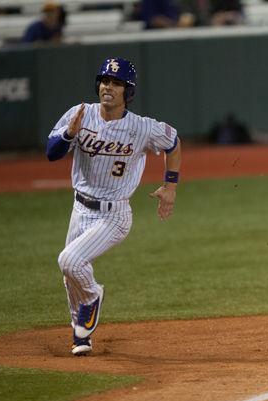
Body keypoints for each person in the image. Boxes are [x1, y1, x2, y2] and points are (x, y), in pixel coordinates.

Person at [46, 57, 181, 356]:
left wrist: (170, 187)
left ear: (127, 92)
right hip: (79, 209)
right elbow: (51, 153)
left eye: (116, 83)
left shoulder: (142, 128)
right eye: (105, 81)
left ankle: (93, 296)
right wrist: (69, 132)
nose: (108, 87)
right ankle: (81, 335)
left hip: (115, 215)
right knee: (70, 275)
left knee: (69, 260)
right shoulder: (80, 114)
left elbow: (173, 143)